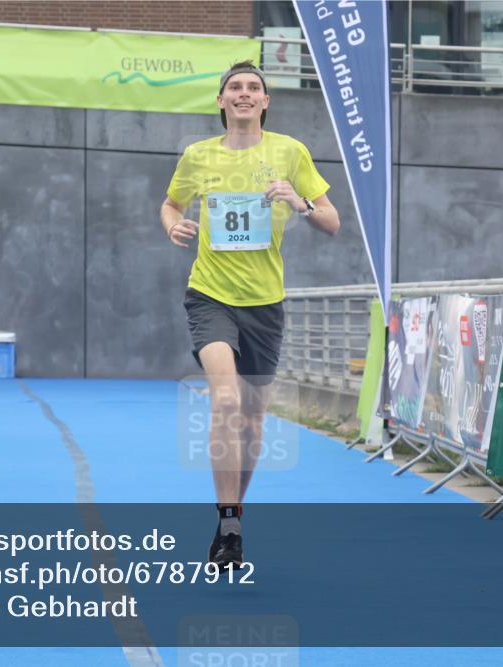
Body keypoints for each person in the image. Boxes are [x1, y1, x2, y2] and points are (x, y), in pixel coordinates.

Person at [160, 61, 340, 568]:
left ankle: (235, 514)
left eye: (253, 88)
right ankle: (228, 522)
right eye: (234, 87)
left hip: (265, 304)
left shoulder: (290, 152)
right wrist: (174, 225)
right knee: (224, 402)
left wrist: (300, 202)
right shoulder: (197, 157)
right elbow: (169, 205)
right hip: (210, 295)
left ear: (265, 102)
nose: (243, 94)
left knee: (254, 421)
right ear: (221, 102)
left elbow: (332, 221)